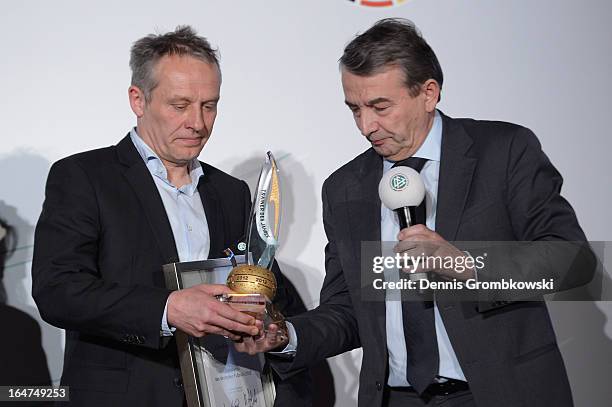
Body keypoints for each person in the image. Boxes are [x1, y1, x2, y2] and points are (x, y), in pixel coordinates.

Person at [238, 18, 595, 407]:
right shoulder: (345, 187)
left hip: (500, 392)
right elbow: (347, 311)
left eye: (380, 107)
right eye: (354, 109)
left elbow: (572, 261)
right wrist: (287, 335)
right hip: (396, 398)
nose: (366, 126)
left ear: (428, 93)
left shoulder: (504, 152)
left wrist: (466, 265)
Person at [32, 26, 310, 406]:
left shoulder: (230, 192)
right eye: (180, 105)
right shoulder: (84, 177)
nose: (197, 122)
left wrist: (268, 325)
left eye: (209, 105)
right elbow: (58, 291)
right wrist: (168, 309)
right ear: (138, 99)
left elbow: (262, 285)